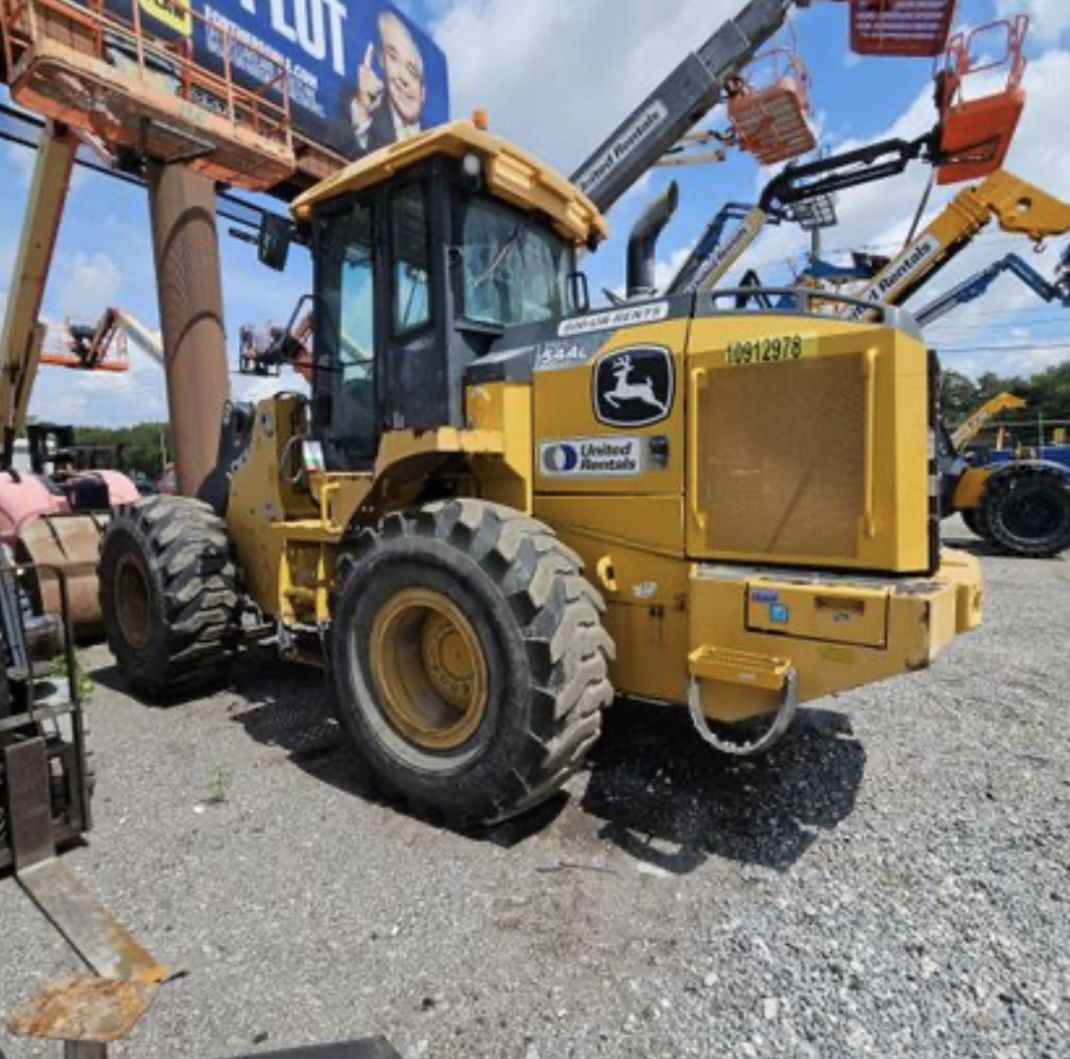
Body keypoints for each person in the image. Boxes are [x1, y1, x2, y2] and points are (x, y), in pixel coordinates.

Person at [349, 10, 427, 155]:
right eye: (393, 58)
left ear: (423, 92)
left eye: (412, 71)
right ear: (381, 60)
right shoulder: (358, 105)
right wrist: (362, 110)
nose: (402, 78)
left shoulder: (436, 139)